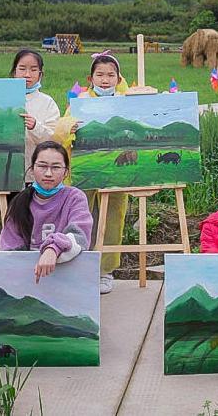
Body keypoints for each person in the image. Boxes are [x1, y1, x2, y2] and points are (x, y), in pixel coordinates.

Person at [70, 50, 130, 293]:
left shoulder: (128, 102)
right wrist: (69, 128)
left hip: (117, 170)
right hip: (87, 169)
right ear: (90, 77)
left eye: (110, 75)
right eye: (100, 74)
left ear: (118, 78)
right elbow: (63, 128)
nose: (105, 80)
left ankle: (105, 270)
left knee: (113, 218)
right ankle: (80, 265)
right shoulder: (81, 101)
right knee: (82, 215)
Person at [0, 141, 93, 283]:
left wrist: (53, 249)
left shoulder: (75, 198)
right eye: (42, 166)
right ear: (32, 169)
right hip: (28, 276)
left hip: (67, 275)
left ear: (66, 172)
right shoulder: (19, 202)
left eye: (56, 167)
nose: (48, 173)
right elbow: (10, 249)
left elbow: (79, 236)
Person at [11, 49, 60, 185]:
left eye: (33, 70)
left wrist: (35, 126)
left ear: (40, 74)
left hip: (36, 173)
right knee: (11, 205)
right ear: (14, 72)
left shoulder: (47, 102)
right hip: (8, 170)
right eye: (22, 69)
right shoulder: (5, 101)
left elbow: (54, 138)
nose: (27, 74)